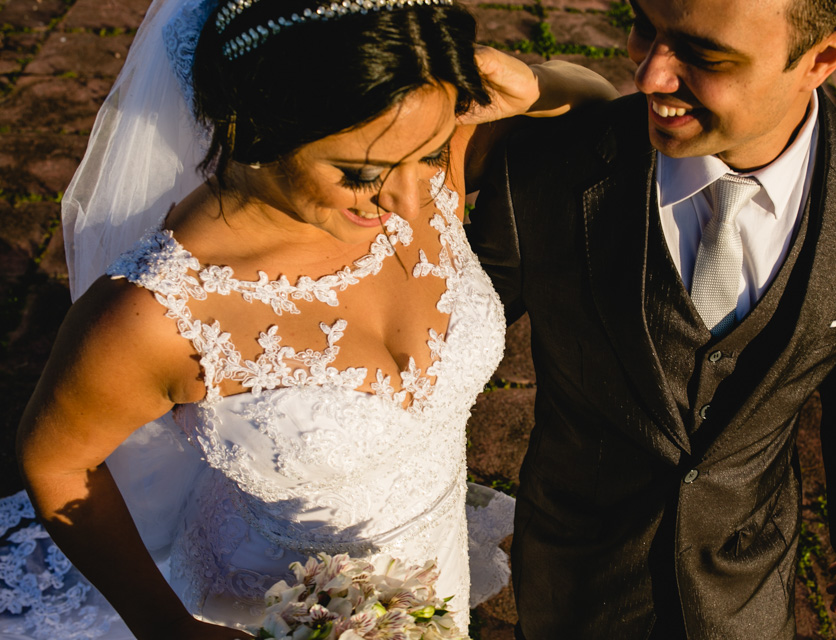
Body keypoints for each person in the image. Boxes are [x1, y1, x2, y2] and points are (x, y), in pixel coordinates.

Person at [6, 0, 618, 638]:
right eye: (359, 175)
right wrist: (166, 627)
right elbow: (56, 462)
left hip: (435, 565)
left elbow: (599, 107)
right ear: (255, 124)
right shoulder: (155, 311)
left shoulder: (406, 139)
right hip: (258, 609)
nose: (411, 201)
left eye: (433, 156)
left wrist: (532, 83)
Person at [468, 0, 836, 637]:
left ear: (824, 58)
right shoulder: (545, 171)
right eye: (644, 25)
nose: (651, 75)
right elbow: (440, 340)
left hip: (746, 575)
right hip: (576, 571)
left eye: (704, 55)